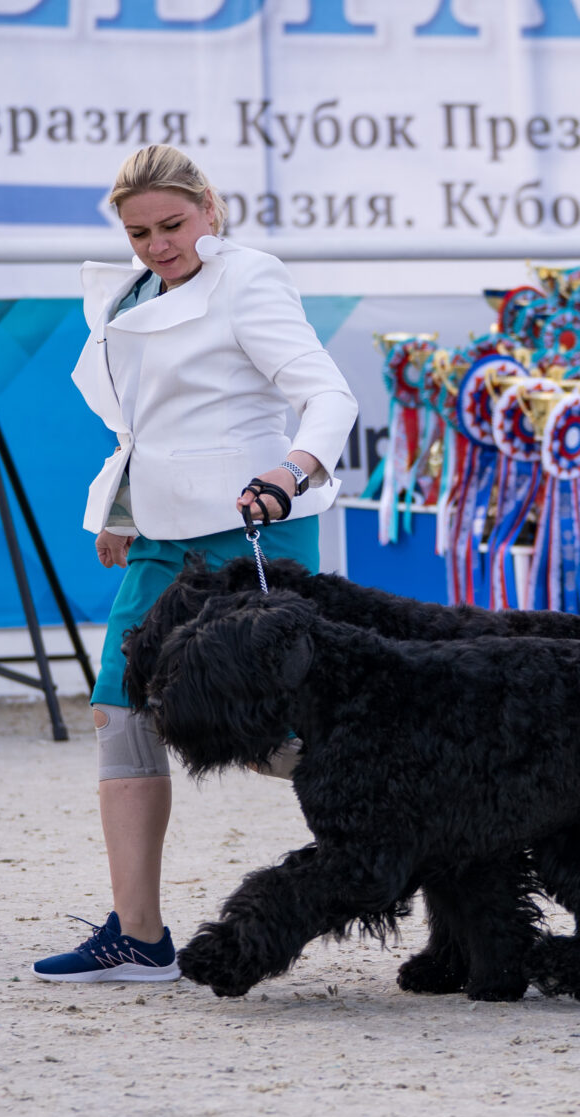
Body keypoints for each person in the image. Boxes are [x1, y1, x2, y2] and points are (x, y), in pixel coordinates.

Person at [33, 145, 357, 982]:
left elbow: (330, 396)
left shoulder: (250, 278)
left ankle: (423, 832)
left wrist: (290, 473)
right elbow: (145, 424)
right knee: (120, 709)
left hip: (254, 529)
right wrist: (122, 508)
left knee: (275, 735)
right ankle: (138, 936)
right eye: (139, 231)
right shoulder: (130, 290)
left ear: (210, 205)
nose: (157, 244)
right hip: (160, 538)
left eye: (172, 224)